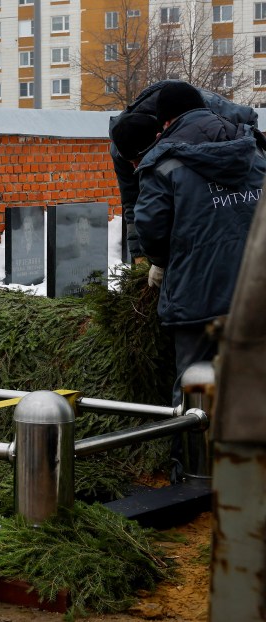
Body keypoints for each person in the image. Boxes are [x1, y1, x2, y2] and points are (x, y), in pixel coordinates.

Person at [133, 81, 266, 479]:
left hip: (197, 293)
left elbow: (151, 227)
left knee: (194, 384)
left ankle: (195, 473)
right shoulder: (253, 148)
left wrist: (158, 261)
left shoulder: (164, 160)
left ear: (167, 120)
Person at [108, 80, 263, 263]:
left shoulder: (214, 114)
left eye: (140, 161)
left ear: (160, 137)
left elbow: (248, 126)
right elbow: (132, 202)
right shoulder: (121, 147)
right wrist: (140, 257)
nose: (136, 168)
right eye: (132, 163)